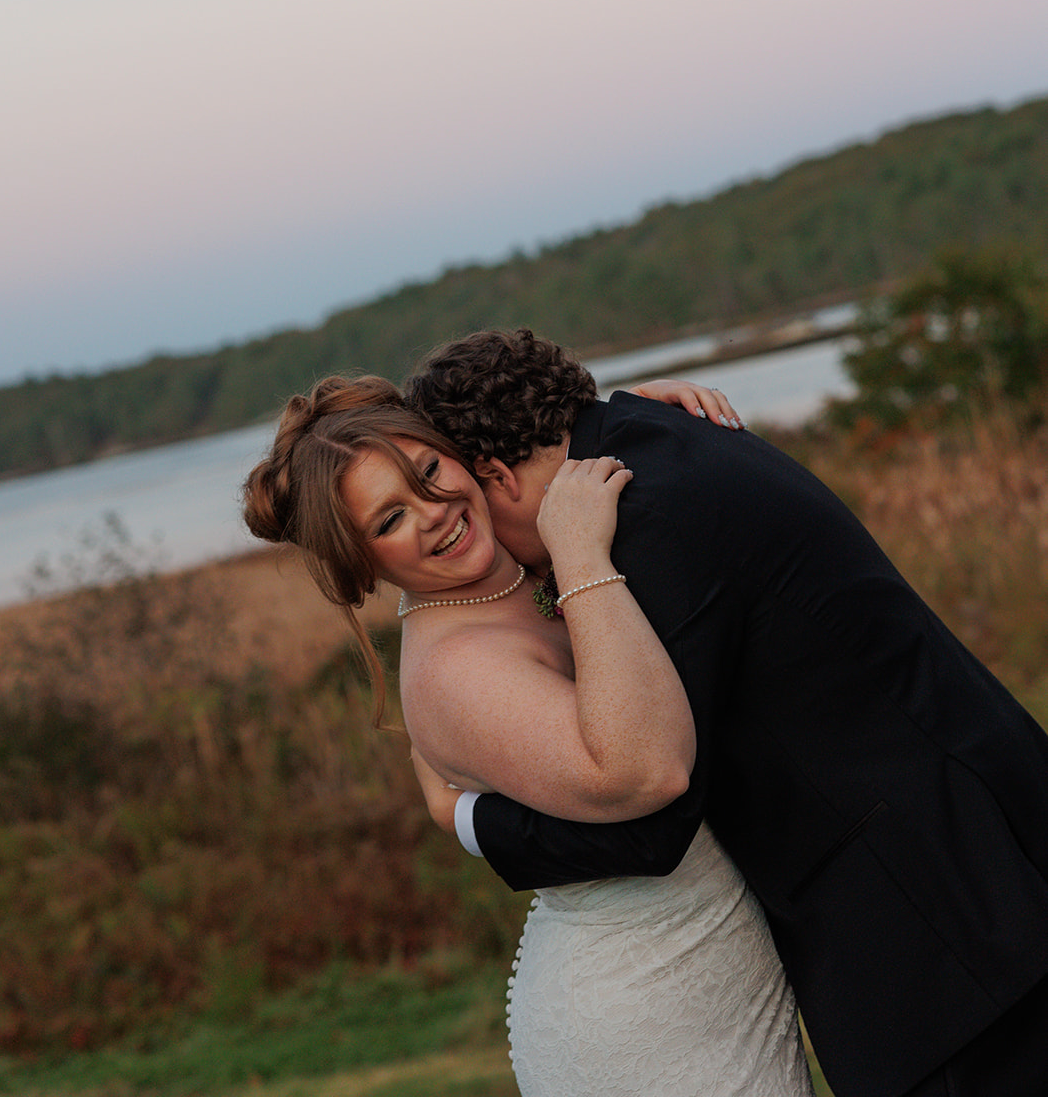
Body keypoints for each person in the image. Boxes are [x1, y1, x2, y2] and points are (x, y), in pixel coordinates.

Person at [404, 327, 1048, 1097]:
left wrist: (466, 817)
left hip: (941, 924)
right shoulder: (662, 436)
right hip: (980, 858)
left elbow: (648, 815)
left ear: (496, 475)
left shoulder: (642, 524)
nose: (513, 561)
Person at [241, 374, 814, 1096]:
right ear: (362, 562)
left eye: (428, 472)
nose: (434, 512)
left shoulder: (509, 565)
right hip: (646, 1009)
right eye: (388, 522)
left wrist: (618, 422)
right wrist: (580, 556)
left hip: (722, 964)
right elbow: (646, 773)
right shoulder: (454, 667)